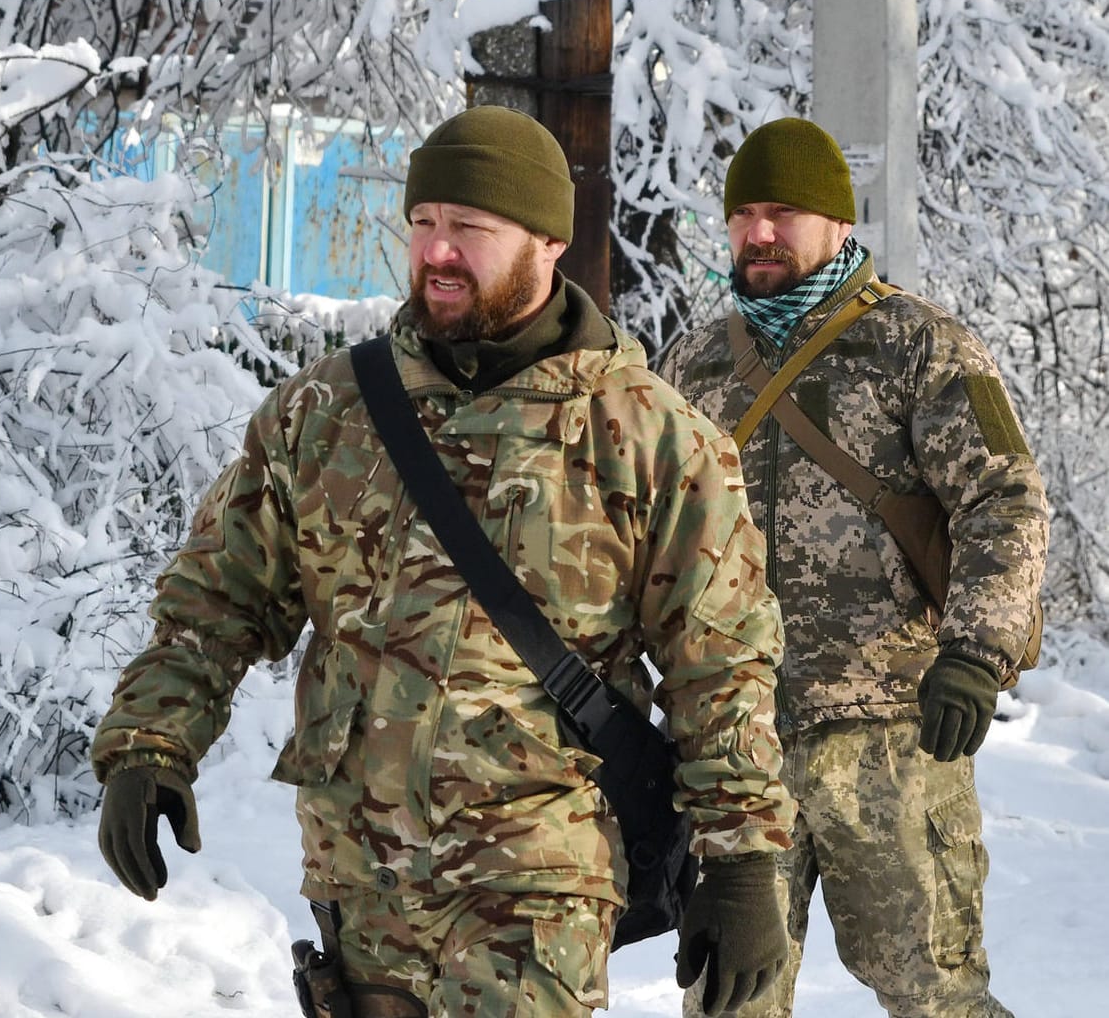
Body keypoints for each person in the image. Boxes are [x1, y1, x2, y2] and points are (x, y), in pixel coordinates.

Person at [92, 105, 795, 1017]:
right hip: (360, 886)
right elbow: (215, 602)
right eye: (423, 224)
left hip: (539, 894)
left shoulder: (650, 435)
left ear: (548, 243)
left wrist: (742, 862)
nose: (438, 252)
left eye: (471, 228)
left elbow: (722, 663)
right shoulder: (325, 415)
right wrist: (152, 744)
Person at [658, 116, 1050, 1018]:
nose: (759, 233)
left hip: (888, 739)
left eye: (784, 212)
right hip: (734, 749)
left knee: (936, 996)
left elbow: (1005, 500)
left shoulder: (921, 346)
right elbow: (646, 532)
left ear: (837, 223)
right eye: (744, 213)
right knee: (728, 1000)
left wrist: (977, 652)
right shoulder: (694, 362)